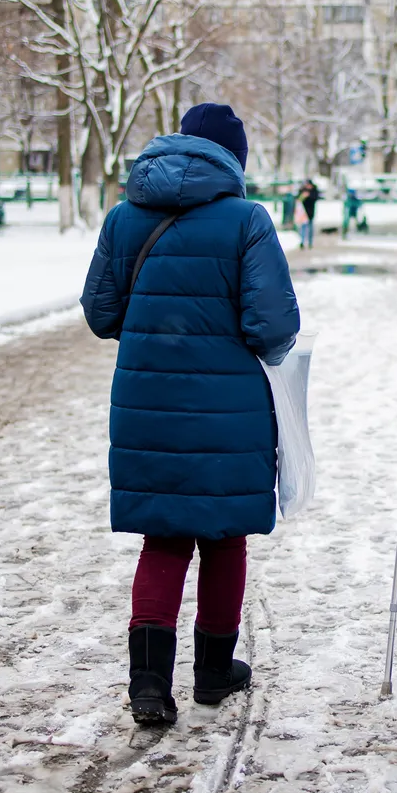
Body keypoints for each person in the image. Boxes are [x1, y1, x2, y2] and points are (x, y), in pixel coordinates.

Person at [81, 103, 301, 725]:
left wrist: (156, 333)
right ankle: (212, 673)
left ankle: (149, 686)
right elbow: (272, 326)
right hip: (229, 408)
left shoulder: (123, 217)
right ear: (233, 159)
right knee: (224, 539)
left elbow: (101, 313)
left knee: (163, 537)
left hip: (146, 404)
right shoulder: (247, 221)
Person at [297, 179, 321, 248]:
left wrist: (309, 196)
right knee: (303, 228)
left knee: (310, 228)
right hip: (303, 213)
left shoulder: (313, 191)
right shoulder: (302, 191)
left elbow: (315, 198)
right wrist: (303, 196)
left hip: (310, 212)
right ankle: (302, 242)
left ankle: (310, 242)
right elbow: (299, 199)